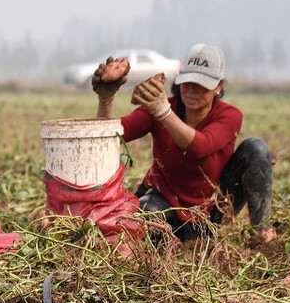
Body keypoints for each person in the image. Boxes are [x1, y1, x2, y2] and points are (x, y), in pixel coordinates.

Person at [93, 43, 273, 243]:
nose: (192, 90)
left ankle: (262, 233)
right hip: (162, 202)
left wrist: (164, 113)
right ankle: (165, 246)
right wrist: (106, 100)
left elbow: (200, 146)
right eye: (188, 82)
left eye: (202, 85)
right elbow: (111, 135)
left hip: (209, 212)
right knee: (146, 212)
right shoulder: (162, 106)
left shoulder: (228, 116)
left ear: (218, 86)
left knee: (256, 148)